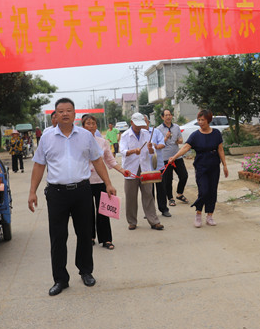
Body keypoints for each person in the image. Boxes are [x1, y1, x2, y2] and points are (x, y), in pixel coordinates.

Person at [28, 98, 117, 296]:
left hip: (82, 191)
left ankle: (86, 271)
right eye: (61, 111)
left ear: (75, 114)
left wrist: (108, 183)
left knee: (85, 233)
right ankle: (60, 279)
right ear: (55, 115)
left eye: (69, 110)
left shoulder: (86, 136)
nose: (65, 114)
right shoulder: (47, 137)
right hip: (56, 193)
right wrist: (32, 191)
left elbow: (98, 160)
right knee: (58, 237)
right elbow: (39, 165)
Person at [168, 109, 228, 228]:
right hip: (201, 166)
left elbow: (220, 149)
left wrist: (225, 165)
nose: (200, 122)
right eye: (199, 120)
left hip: (214, 166)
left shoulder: (216, 133)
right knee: (203, 191)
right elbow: (185, 147)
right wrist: (174, 157)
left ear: (208, 120)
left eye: (202, 120)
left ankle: (210, 216)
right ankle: (198, 214)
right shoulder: (195, 135)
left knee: (212, 191)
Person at [82, 114, 130, 250]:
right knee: (87, 211)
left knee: (103, 210)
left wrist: (122, 170)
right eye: (88, 123)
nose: (91, 126)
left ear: (96, 126)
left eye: (93, 123)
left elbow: (110, 160)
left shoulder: (102, 142)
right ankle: (90, 237)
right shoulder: (78, 143)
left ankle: (106, 239)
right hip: (84, 182)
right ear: (83, 126)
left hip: (100, 180)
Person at [119, 112, 165, 231]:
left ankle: (154, 221)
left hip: (145, 168)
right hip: (131, 169)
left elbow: (152, 152)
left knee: (148, 194)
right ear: (131, 122)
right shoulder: (125, 135)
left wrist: (150, 149)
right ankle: (132, 221)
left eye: (141, 125)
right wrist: (133, 151)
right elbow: (123, 151)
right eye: (137, 125)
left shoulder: (146, 133)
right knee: (130, 196)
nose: (139, 127)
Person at [157, 109, 189, 208]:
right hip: (165, 158)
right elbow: (158, 144)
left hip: (176, 156)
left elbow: (180, 139)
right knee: (168, 180)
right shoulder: (158, 129)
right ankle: (170, 198)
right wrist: (166, 138)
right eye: (166, 115)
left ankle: (179, 193)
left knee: (184, 175)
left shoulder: (176, 127)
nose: (168, 117)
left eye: (170, 115)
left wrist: (179, 141)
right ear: (162, 117)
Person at [145, 114, 170, 217]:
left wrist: (155, 146)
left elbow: (162, 144)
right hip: (146, 167)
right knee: (148, 191)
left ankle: (164, 209)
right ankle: (150, 211)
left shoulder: (156, 132)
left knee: (161, 188)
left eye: (145, 121)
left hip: (158, 165)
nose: (143, 123)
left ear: (148, 122)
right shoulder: (139, 134)